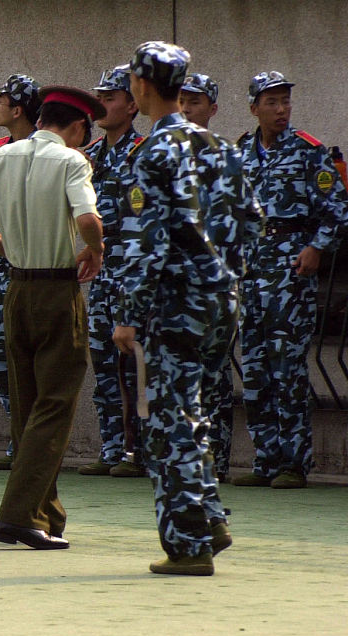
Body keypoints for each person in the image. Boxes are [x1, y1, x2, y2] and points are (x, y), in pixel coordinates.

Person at [116, 41, 261, 575]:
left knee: (166, 422)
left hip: (175, 304)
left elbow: (149, 243)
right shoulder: (220, 146)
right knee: (193, 412)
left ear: (141, 86)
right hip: (221, 301)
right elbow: (253, 222)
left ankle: (190, 543)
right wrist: (226, 279)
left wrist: (129, 314)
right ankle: (206, 517)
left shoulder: (154, 152)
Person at [0, 85, 105, 551]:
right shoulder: (71, 161)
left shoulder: (0, 157)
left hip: (16, 288)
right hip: (57, 290)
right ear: (78, 126)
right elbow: (86, 219)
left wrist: (8, 249)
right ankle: (19, 516)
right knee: (56, 402)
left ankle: (46, 512)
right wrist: (96, 249)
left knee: (27, 406)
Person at [234, 71, 348, 490]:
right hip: (251, 269)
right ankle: (265, 459)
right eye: (272, 103)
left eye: (285, 102)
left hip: (291, 267)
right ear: (253, 108)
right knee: (256, 367)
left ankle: (293, 464)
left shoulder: (308, 151)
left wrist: (316, 247)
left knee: (288, 368)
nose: (281, 110)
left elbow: (337, 210)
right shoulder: (241, 151)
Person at [78, 65, 146, 478]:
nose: (101, 105)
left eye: (110, 98)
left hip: (132, 268)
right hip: (101, 270)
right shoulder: (91, 155)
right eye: (99, 97)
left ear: (133, 104)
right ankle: (112, 448)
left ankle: (139, 453)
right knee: (103, 362)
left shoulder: (143, 153)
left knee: (134, 366)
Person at [179, 73, 237, 483]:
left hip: (213, 289)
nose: (186, 109)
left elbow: (251, 220)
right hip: (176, 290)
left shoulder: (228, 156)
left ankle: (216, 463)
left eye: (195, 102)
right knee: (176, 386)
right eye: (181, 100)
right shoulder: (165, 154)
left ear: (212, 109)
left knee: (212, 383)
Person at [0, 73, 41, 471]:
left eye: (1, 100)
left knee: (34, 359)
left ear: (18, 109)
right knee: (4, 361)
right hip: (2, 268)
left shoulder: (44, 152)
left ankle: (34, 445)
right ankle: (18, 440)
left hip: (36, 270)